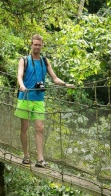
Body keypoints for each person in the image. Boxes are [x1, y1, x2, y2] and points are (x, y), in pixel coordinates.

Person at [14, 34, 75, 168]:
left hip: (39, 99)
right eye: (35, 44)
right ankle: (26, 156)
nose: (37, 47)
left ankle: (40, 160)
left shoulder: (44, 61)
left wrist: (65, 84)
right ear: (31, 45)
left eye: (39, 45)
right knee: (24, 128)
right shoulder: (24, 60)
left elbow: (54, 78)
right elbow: (19, 75)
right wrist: (21, 85)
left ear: (42, 46)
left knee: (40, 128)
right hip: (25, 97)